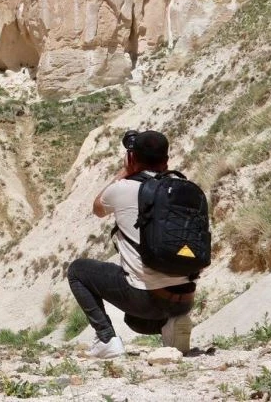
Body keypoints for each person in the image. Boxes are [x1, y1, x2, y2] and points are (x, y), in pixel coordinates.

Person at [67, 130, 195, 359]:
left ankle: (106, 339)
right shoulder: (184, 188)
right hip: (185, 299)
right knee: (134, 321)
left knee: (77, 270)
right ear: (166, 160)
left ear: (132, 158)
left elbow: (97, 208)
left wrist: (126, 170)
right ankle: (172, 323)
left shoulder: (123, 189)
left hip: (146, 301)